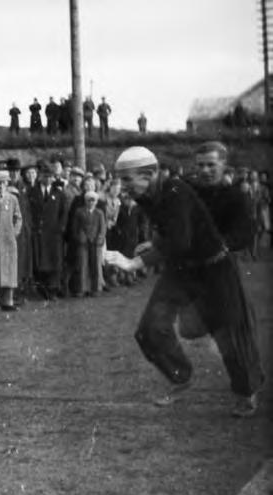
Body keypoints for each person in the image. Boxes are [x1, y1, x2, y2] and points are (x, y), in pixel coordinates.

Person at [105, 146, 263, 417]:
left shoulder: (234, 195)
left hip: (216, 269)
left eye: (211, 165)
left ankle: (246, 391)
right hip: (182, 268)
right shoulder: (173, 189)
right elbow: (175, 230)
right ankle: (180, 377)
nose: (204, 170)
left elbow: (191, 236)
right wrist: (155, 243)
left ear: (224, 165)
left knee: (230, 337)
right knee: (150, 328)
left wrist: (135, 262)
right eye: (200, 165)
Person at [29, 162, 67, 300]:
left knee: (54, 262)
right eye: (45, 176)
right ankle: (42, 290)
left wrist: (60, 228)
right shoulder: (32, 192)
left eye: (51, 176)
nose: (48, 179)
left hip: (53, 234)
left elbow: (64, 212)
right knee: (40, 262)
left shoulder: (58, 193)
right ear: (40, 176)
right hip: (38, 233)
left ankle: (52, 290)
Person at [0, 171, 22, 310]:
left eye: (3, 183)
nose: (1, 186)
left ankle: (8, 301)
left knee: (9, 269)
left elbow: (18, 217)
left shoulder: (13, 198)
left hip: (8, 239)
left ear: (7, 184)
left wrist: (14, 232)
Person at [71, 190, 107, 297]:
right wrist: (79, 238)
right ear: (85, 201)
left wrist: (100, 239)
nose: (91, 203)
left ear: (96, 202)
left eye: (93, 200)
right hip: (83, 242)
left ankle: (95, 288)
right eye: (88, 200)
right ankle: (82, 288)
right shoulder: (79, 212)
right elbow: (75, 227)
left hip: (95, 243)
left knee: (95, 265)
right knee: (82, 265)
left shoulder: (99, 213)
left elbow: (103, 228)